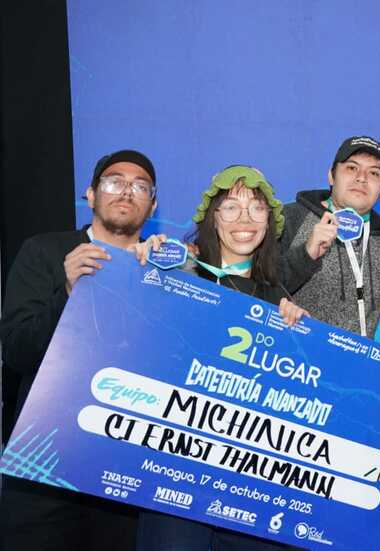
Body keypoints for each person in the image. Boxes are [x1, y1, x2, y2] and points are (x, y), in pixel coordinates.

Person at [134, 165, 305, 550]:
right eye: (231, 207)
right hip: (174, 477)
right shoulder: (177, 269)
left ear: (269, 222)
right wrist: (139, 268)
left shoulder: (277, 298)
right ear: (212, 218)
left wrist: (301, 338)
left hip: (247, 487)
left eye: (256, 208)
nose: (245, 219)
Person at [0, 149, 159, 551]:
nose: (127, 191)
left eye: (140, 186)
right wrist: (68, 292)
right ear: (90, 195)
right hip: (43, 467)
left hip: (124, 472)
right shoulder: (45, 252)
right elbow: (17, 350)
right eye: (114, 182)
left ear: (153, 205)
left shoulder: (163, 269)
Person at [279, 136, 380, 337]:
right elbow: (255, 286)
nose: (361, 178)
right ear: (331, 176)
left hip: (356, 358)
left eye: (374, 173)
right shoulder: (288, 219)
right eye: (352, 168)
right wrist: (305, 255)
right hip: (291, 354)